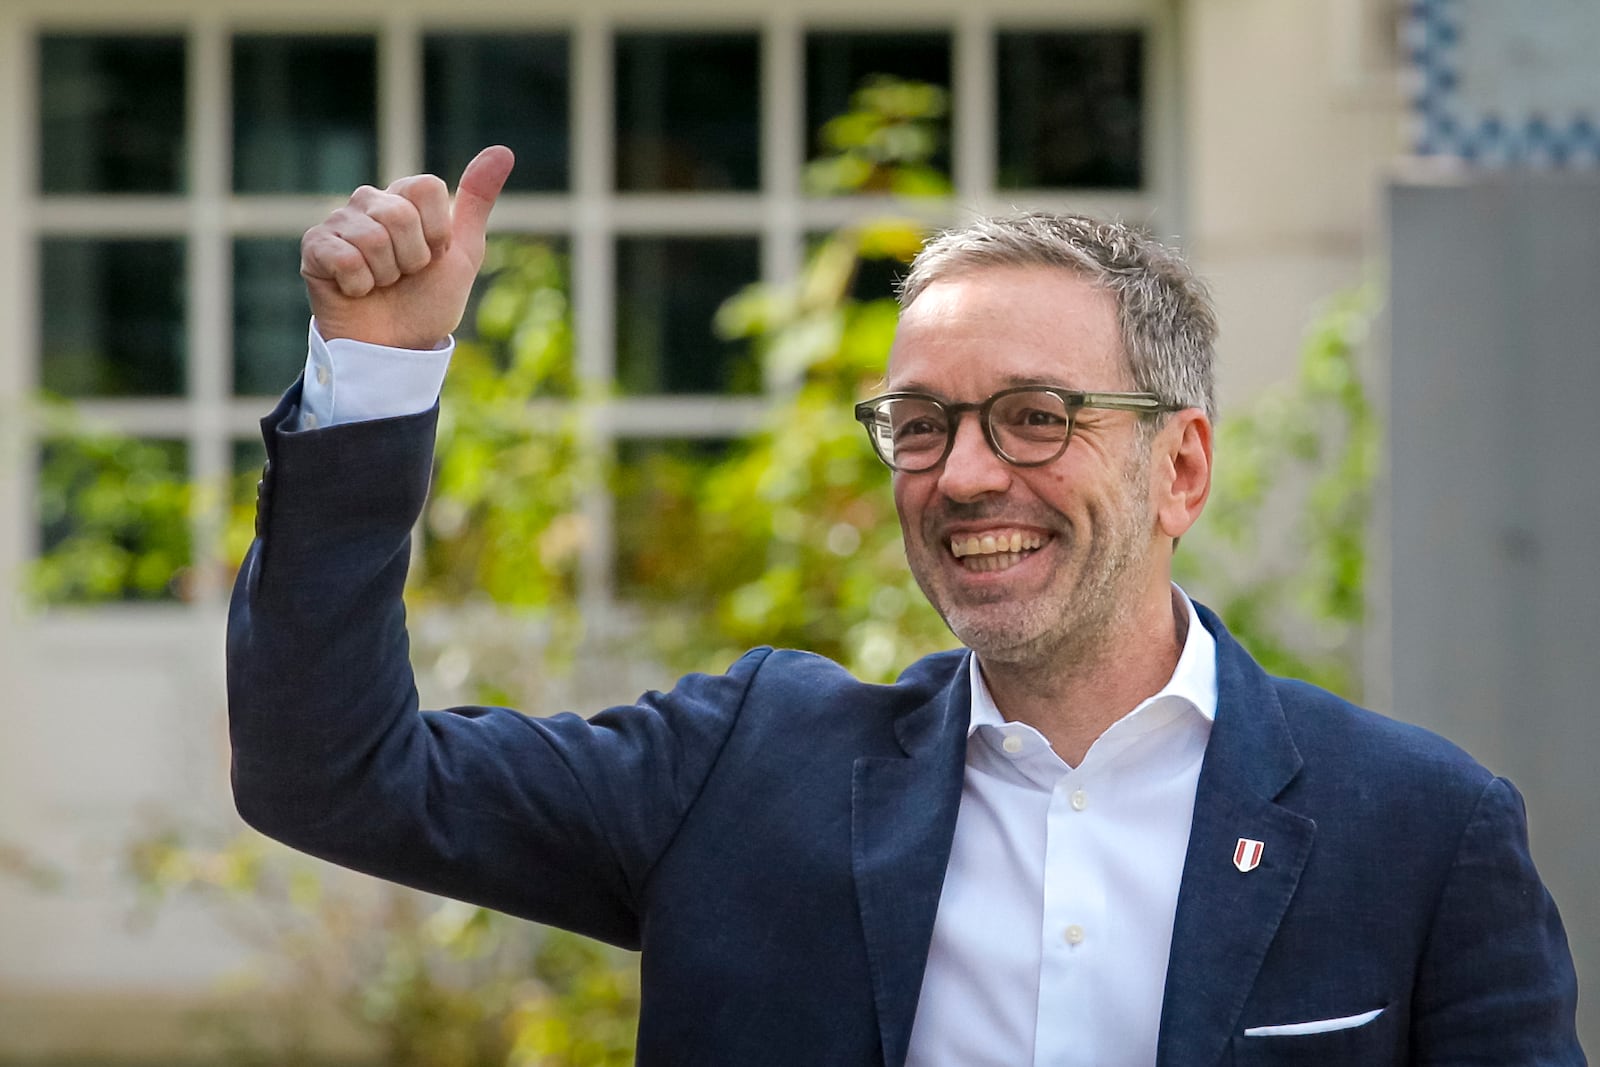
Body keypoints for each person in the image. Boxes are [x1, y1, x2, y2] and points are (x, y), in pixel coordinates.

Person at [228, 145, 1584, 1066]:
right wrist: (376, 375)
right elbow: (330, 775)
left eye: (1036, 418)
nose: (967, 474)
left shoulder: (1419, 833)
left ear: (1180, 466)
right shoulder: (745, 773)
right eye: (923, 423)